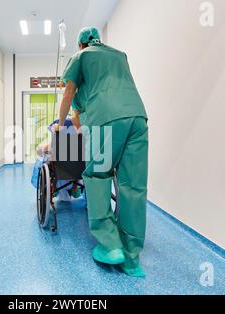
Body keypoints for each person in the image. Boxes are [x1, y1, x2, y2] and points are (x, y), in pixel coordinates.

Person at [54, 27, 149, 278]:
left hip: (106, 120)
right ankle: (132, 259)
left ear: (81, 44)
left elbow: (68, 93)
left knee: (97, 176)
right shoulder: (120, 55)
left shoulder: (81, 57)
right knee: (133, 186)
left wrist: (58, 123)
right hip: (137, 117)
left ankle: (110, 245)